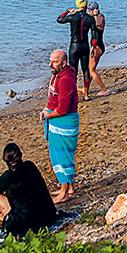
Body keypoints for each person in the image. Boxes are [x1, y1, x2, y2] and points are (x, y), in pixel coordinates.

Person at [41, 49, 79, 203]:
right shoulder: (58, 76)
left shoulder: (65, 80)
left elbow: (63, 108)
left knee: (61, 155)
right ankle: (68, 186)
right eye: (50, 61)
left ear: (64, 63)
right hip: (57, 121)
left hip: (64, 123)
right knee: (61, 153)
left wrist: (49, 115)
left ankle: (64, 193)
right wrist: (46, 109)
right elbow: (54, 99)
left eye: (55, 62)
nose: (51, 64)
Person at [56, 0, 97, 101]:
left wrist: (67, 11)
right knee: (85, 69)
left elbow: (59, 20)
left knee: (72, 71)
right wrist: (94, 47)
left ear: (77, 5)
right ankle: (86, 95)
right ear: (85, 5)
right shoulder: (90, 18)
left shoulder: (72, 17)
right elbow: (94, 34)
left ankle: (72, 94)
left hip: (74, 45)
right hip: (85, 45)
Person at [86, 2, 110, 97]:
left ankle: (104, 89)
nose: (89, 13)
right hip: (96, 46)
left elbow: (98, 24)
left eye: (90, 11)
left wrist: (95, 15)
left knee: (91, 70)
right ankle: (86, 88)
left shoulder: (100, 17)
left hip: (98, 47)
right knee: (90, 68)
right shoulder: (95, 17)